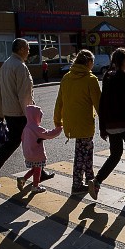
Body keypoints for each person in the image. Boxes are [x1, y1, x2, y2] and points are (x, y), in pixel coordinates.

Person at [0, 38, 54, 188]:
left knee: (23, 141)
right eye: (28, 48)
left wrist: (0, 111)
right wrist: (31, 117)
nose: (29, 51)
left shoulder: (6, 65)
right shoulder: (20, 67)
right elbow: (24, 96)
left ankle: (40, 172)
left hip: (10, 112)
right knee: (31, 139)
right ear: (21, 49)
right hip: (21, 113)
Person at [88, 48, 125, 200]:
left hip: (110, 126)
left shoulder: (107, 79)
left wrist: (103, 128)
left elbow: (102, 104)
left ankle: (97, 181)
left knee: (115, 155)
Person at [53, 49, 101, 195]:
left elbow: (59, 102)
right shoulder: (90, 79)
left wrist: (57, 121)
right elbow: (99, 104)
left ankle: (90, 178)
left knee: (87, 150)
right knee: (81, 152)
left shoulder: (67, 77)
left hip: (71, 123)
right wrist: (106, 124)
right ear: (88, 62)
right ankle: (77, 184)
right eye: (92, 62)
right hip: (84, 123)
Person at [17, 105, 62, 194]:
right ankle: (35, 186)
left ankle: (23, 179)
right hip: (36, 154)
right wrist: (59, 128)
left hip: (28, 153)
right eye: (40, 116)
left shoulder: (26, 128)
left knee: (34, 169)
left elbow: (23, 139)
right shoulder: (36, 128)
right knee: (38, 170)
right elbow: (49, 134)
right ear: (36, 116)